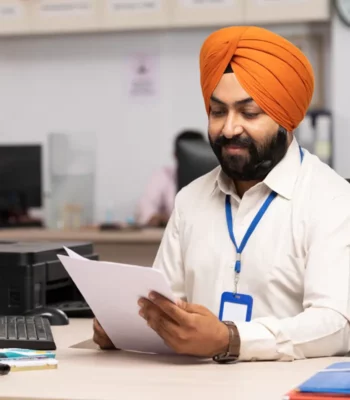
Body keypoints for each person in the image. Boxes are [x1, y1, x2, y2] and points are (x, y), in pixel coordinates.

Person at [93, 26, 350, 362]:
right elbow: (163, 306)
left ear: (287, 118)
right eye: (218, 112)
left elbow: (336, 324)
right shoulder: (190, 200)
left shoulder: (331, 200)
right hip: (191, 389)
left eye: (250, 112)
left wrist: (230, 339)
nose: (229, 128)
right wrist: (125, 326)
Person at [135, 130, 204, 227]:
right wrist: (156, 217)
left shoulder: (216, 177)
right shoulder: (164, 175)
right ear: (175, 155)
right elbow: (146, 205)